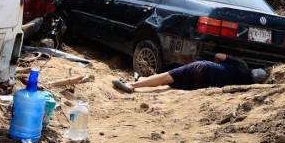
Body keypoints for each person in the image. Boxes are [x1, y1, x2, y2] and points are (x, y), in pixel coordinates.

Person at [112, 53, 268, 92]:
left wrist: (217, 64)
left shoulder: (242, 65)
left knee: (168, 77)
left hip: (205, 68)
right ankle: (143, 80)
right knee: (172, 84)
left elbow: (219, 56)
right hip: (204, 84)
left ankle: (132, 85)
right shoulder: (246, 86)